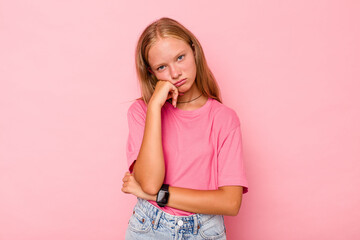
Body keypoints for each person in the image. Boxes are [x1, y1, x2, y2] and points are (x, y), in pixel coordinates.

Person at [121, 17, 248, 239]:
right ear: (151, 73)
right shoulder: (142, 112)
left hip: (205, 230)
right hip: (148, 228)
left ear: (194, 51)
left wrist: (160, 195)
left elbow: (230, 202)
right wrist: (154, 109)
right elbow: (149, 182)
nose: (175, 73)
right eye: (162, 67)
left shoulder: (224, 119)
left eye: (180, 58)